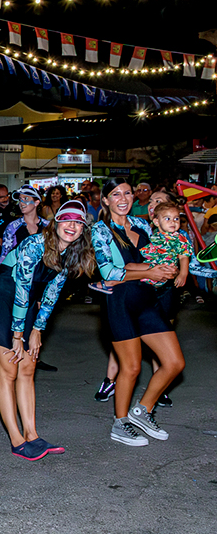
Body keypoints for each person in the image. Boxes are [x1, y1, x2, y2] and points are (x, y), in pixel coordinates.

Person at [0, 200, 95, 460]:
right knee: (9, 369)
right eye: (67, 219)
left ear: (83, 229)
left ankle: (32, 434)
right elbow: (22, 287)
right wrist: (18, 335)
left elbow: (51, 294)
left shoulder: (71, 254)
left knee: (28, 368)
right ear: (56, 222)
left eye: (78, 222)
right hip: (3, 296)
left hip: (26, 302)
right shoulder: (35, 244)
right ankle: (16, 440)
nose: (72, 226)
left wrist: (37, 330)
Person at [91, 179, 182, 447]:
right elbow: (108, 272)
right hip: (119, 302)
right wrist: (150, 271)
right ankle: (120, 423)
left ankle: (142, 411)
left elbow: (159, 256)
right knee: (130, 368)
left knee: (174, 362)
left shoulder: (142, 225)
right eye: (116, 194)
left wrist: (169, 268)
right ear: (105, 200)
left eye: (128, 193)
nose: (123, 198)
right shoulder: (100, 229)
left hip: (147, 299)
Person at [140, 201, 192, 289]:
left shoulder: (179, 238)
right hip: (149, 268)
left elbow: (183, 257)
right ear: (156, 222)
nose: (173, 222)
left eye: (176, 219)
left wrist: (183, 274)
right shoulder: (154, 235)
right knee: (129, 267)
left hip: (165, 270)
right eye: (168, 219)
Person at [0, 186, 48, 266]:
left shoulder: (48, 226)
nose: (21, 203)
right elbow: (5, 255)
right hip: (19, 271)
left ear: (36, 202)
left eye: (26, 199)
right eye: (20, 199)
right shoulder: (13, 227)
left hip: (44, 271)